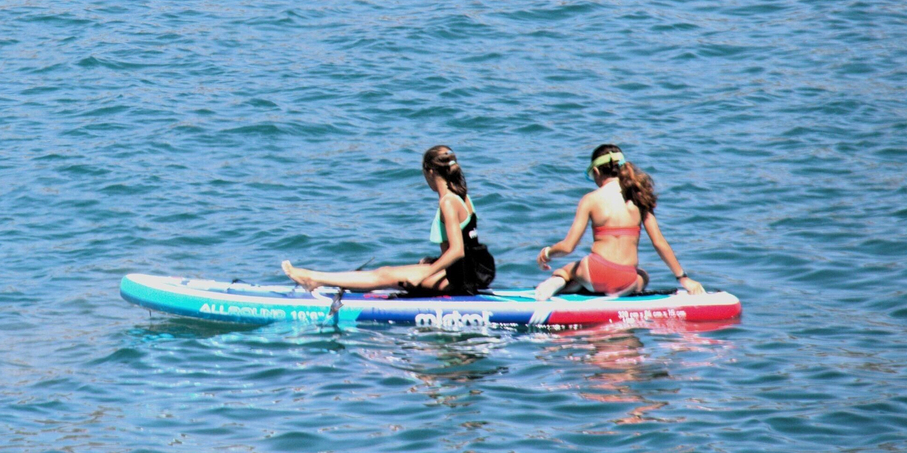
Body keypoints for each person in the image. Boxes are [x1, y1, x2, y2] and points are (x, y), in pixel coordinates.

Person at [282, 146, 497, 296]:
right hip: (471, 272)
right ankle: (317, 278)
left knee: (383, 275)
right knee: (399, 270)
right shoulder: (462, 196)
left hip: (460, 280)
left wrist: (426, 274)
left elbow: (458, 250)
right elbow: (467, 246)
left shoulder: (448, 202)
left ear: (430, 172)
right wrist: (433, 262)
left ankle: (314, 279)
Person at [534, 144, 706, 300]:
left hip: (593, 271)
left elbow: (568, 247)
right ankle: (588, 287)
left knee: (569, 270)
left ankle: (558, 282)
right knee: (643, 276)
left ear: (596, 172)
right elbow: (659, 242)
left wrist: (547, 253)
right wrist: (684, 278)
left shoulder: (590, 199)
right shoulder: (639, 197)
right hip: (625, 280)